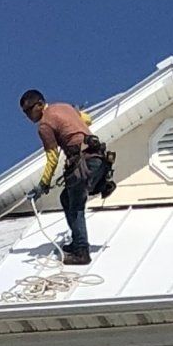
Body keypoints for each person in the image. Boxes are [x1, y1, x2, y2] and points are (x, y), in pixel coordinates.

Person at [19, 89, 113, 266]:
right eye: (25, 113)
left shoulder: (44, 125)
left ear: (40, 104)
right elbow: (87, 119)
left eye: (29, 110)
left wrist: (43, 185)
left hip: (83, 163)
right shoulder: (64, 106)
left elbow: (52, 157)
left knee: (76, 206)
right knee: (66, 198)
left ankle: (81, 252)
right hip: (98, 159)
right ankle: (77, 241)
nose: (29, 116)